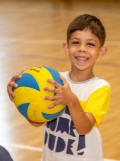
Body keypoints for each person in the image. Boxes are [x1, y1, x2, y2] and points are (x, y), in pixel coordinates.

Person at [7, 14, 111, 161]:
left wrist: (71, 100)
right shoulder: (55, 80)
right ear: (66, 48)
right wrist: (20, 97)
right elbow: (37, 121)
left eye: (90, 44)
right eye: (76, 43)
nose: (82, 49)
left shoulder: (100, 87)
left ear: (101, 51)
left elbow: (84, 128)